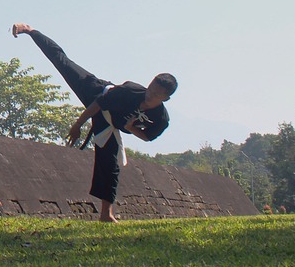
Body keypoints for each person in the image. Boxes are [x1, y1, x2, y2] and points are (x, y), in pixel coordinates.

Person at [11, 22, 177, 222]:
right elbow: (97, 104)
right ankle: (30, 30)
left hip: (110, 125)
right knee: (63, 62)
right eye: (150, 88)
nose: (150, 95)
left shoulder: (161, 118)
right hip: (96, 93)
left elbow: (148, 137)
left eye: (156, 94)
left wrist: (131, 128)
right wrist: (77, 125)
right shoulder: (131, 90)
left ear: (165, 99)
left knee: (110, 166)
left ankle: (106, 214)